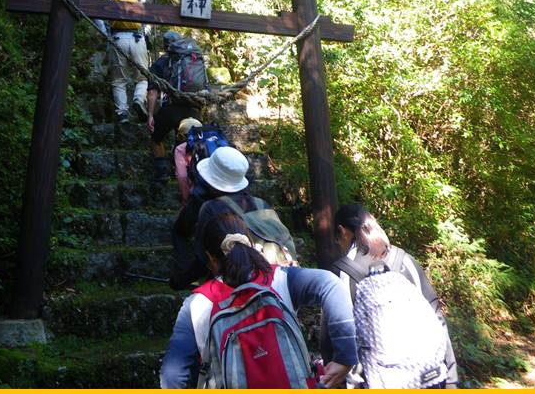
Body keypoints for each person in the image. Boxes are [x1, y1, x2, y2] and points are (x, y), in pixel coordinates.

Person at [159, 212, 356, 388]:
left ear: (210, 258)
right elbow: (331, 284)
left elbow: (172, 377)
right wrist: (345, 356)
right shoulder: (280, 279)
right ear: (250, 244)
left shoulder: (198, 304)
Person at [332, 205, 459, 389]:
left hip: (382, 381)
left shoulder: (342, 273)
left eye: (338, 240)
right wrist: (451, 379)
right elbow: (436, 316)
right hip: (429, 376)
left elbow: (335, 337)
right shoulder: (404, 260)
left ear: (342, 232)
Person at [169, 146, 296, 290]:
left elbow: (204, 260)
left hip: (238, 288)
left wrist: (179, 281)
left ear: (211, 180)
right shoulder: (262, 204)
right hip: (276, 282)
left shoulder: (212, 208)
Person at [148, 31, 204, 156]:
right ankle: (184, 171)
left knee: (156, 139)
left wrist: (150, 115)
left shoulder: (160, 63)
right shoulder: (191, 59)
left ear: (164, 46)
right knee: (187, 140)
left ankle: (161, 174)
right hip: (194, 109)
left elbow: (152, 92)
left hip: (172, 109)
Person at [105, 0, 150, 125]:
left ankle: (123, 113)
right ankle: (138, 99)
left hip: (118, 39)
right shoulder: (134, 0)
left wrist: (106, 35)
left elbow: (102, 21)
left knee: (119, 80)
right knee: (142, 77)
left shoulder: (112, 2)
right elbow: (145, 25)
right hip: (137, 39)